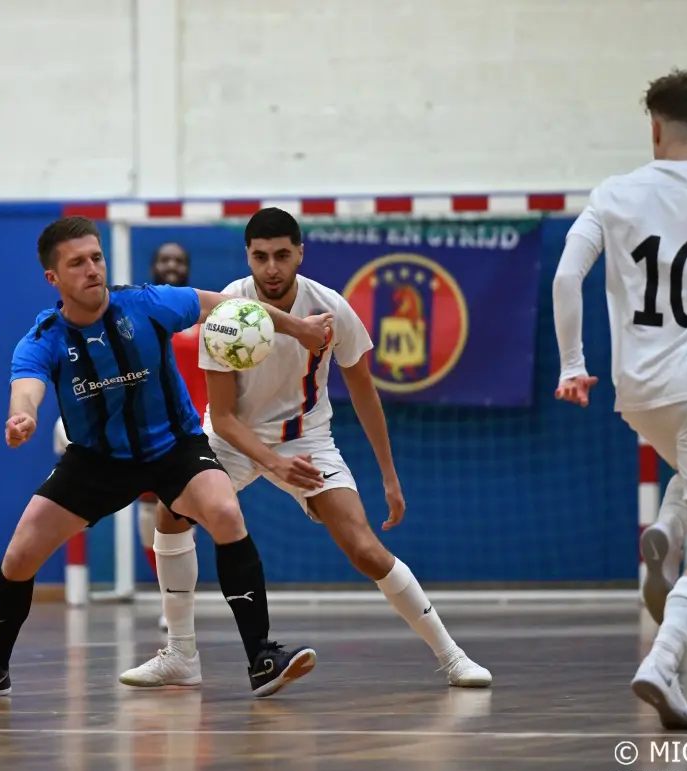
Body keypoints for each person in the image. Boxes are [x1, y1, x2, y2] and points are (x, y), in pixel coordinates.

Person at [0, 216, 333, 700]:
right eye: (77, 263)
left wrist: (299, 328)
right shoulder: (44, 338)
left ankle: (261, 656)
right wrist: (21, 416)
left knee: (225, 512)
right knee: (20, 554)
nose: (92, 269)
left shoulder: (147, 303)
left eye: (96, 257)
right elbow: (26, 387)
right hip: (97, 461)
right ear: (53, 277)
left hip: (174, 448)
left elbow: (230, 307)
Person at [119, 208, 493, 691]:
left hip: (306, 438)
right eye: (260, 257)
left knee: (365, 549)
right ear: (247, 257)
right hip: (233, 438)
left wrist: (389, 475)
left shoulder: (331, 308)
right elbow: (225, 417)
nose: (271, 267)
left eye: (281, 255)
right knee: (171, 512)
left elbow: (364, 391)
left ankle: (452, 656)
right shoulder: (228, 310)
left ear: (300, 253)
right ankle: (180, 654)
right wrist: (273, 463)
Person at [551, 70, 687, 730]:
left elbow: (566, 276)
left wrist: (573, 365)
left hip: (637, 392)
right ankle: (663, 662)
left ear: (653, 129)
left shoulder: (613, 193)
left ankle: (666, 534)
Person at [137, 243, 208, 631]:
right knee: (148, 523)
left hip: (193, 431)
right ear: (153, 265)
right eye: (164, 259)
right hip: (150, 429)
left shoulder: (203, 317)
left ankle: (179, 604)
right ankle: (170, 595)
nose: (171, 265)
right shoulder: (138, 316)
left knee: (180, 516)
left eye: (179, 260)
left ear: (188, 268)